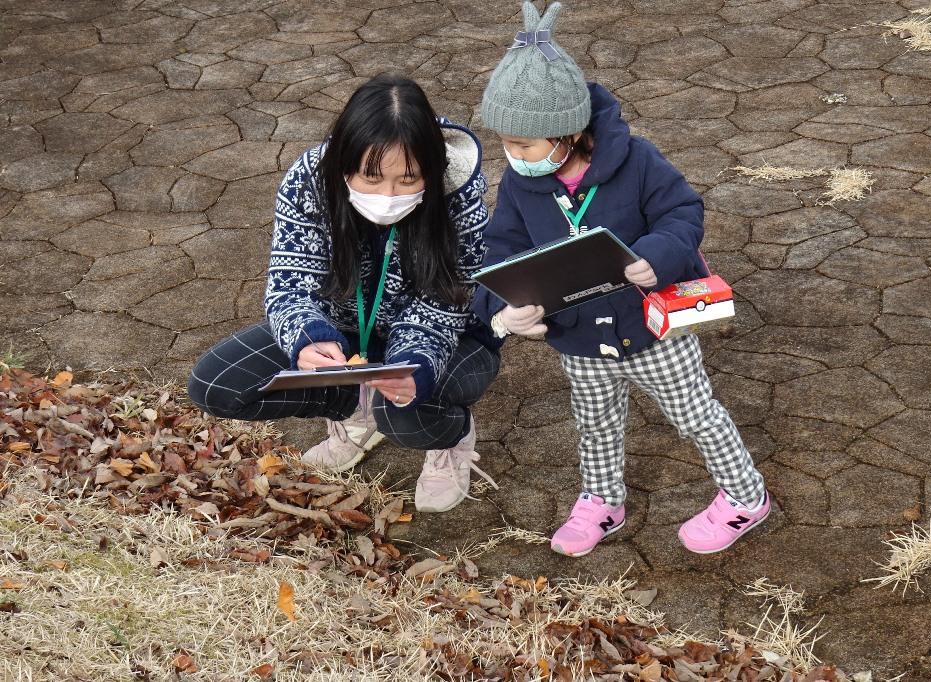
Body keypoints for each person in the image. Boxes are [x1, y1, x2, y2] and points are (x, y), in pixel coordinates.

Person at [473, 1, 771, 556]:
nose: (513, 156)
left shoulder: (637, 161)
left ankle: (745, 496)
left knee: (695, 414)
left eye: (525, 145)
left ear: (568, 132)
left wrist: (655, 256)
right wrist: (509, 303)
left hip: (653, 325)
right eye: (506, 144)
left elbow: (682, 213)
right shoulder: (520, 184)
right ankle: (602, 499)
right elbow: (502, 246)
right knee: (595, 421)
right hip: (578, 334)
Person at [189, 74, 500, 513]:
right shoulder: (310, 180)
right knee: (215, 384)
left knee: (407, 413)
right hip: (346, 327)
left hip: (448, 335)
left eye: (408, 179)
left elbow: (451, 299)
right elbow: (289, 283)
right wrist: (310, 338)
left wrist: (412, 365)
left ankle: (450, 437)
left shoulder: (457, 192)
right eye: (371, 178)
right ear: (344, 162)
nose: (387, 195)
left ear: (432, 170)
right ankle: (356, 411)